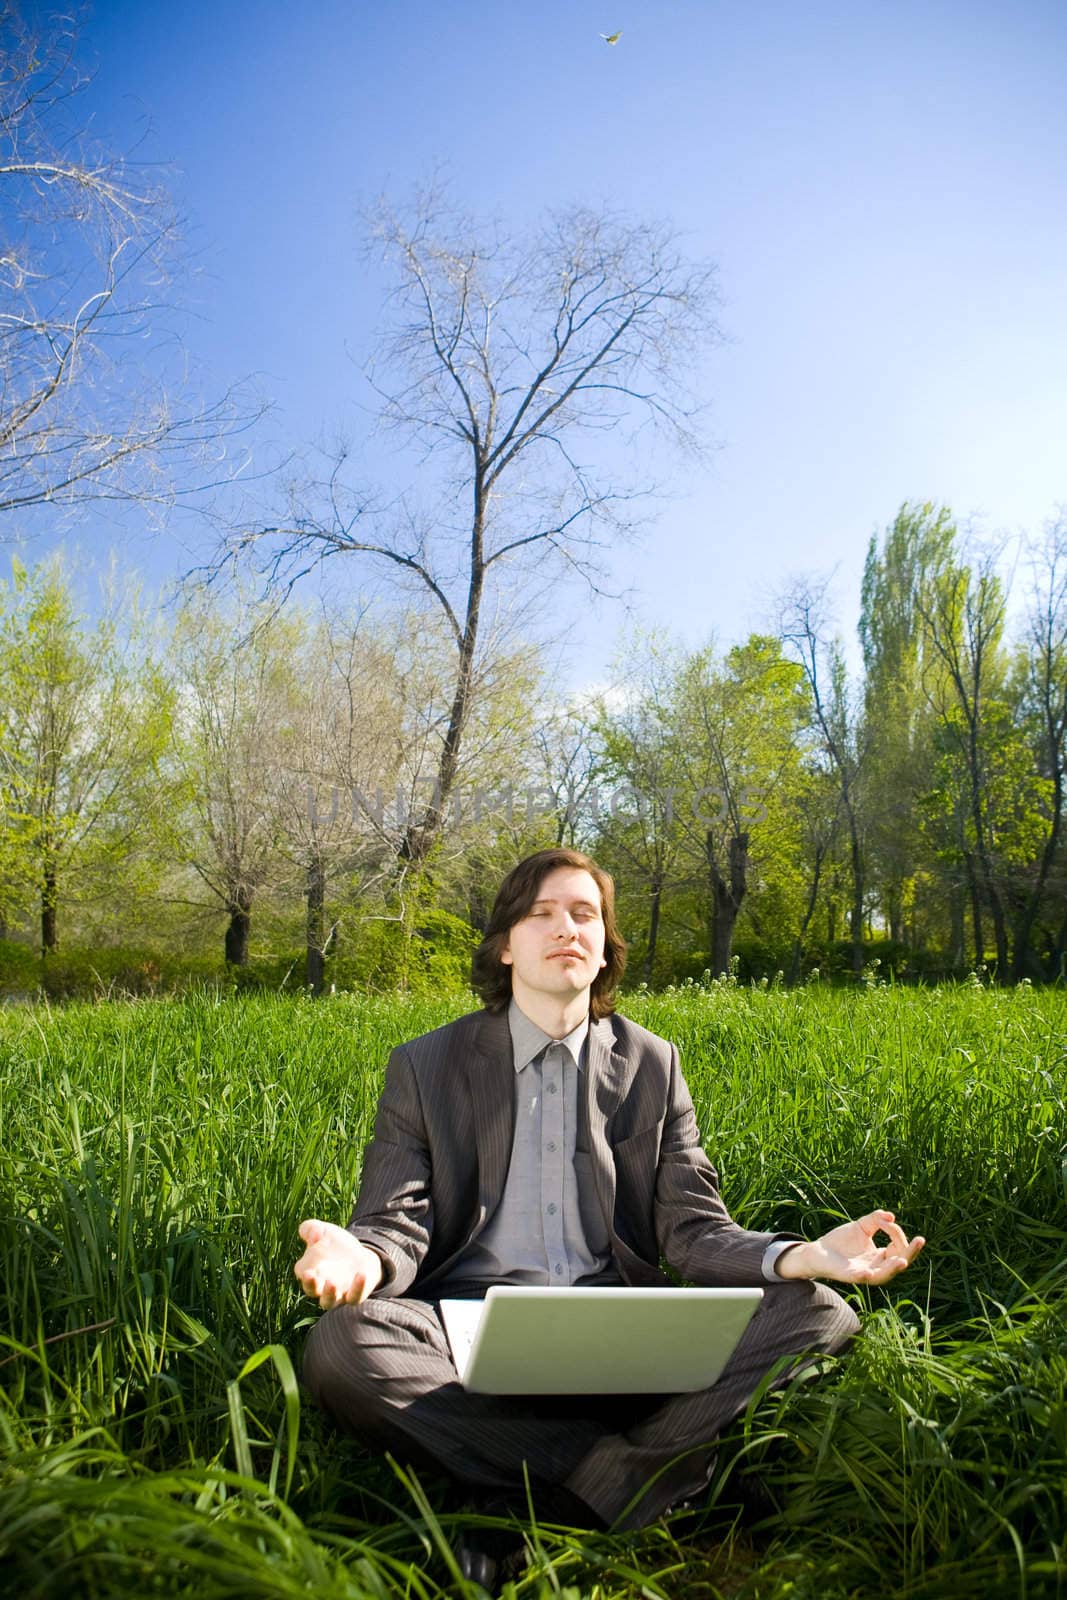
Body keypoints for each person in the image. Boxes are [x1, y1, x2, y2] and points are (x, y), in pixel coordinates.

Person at [295, 848, 924, 1576]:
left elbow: (691, 1231)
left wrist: (801, 1256)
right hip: (463, 1328)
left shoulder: (653, 1063)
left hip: (619, 1322)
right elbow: (395, 1222)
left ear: (602, 952)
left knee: (819, 1312)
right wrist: (360, 1257)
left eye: (583, 914)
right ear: (504, 945)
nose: (565, 927)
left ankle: (513, 1488)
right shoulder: (425, 1064)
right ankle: (638, 1476)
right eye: (541, 913)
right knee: (343, 1346)